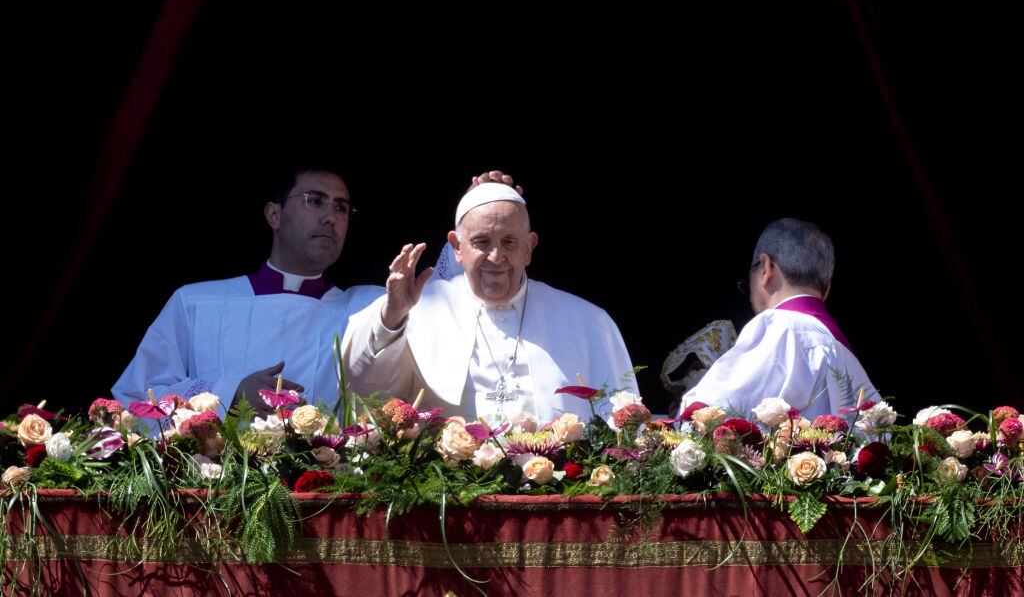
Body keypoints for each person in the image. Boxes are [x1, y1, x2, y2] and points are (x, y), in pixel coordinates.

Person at [112, 167, 516, 413]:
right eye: (314, 200)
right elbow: (136, 399)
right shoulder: (197, 302)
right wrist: (228, 395)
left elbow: (441, 300)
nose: (331, 216)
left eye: (341, 207)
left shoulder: (366, 308)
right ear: (274, 214)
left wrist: (481, 215)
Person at [341, 182, 639, 424]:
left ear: (529, 248)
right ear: (457, 247)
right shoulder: (416, 308)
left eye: (509, 242)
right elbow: (369, 390)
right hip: (447, 490)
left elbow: (622, 428)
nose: (496, 258)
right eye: (482, 242)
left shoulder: (587, 321)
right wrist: (393, 315)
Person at [681, 218, 879, 417]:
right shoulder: (846, 355)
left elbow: (714, 417)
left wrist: (697, 387)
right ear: (826, 290)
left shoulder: (778, 327)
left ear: (766, 269)